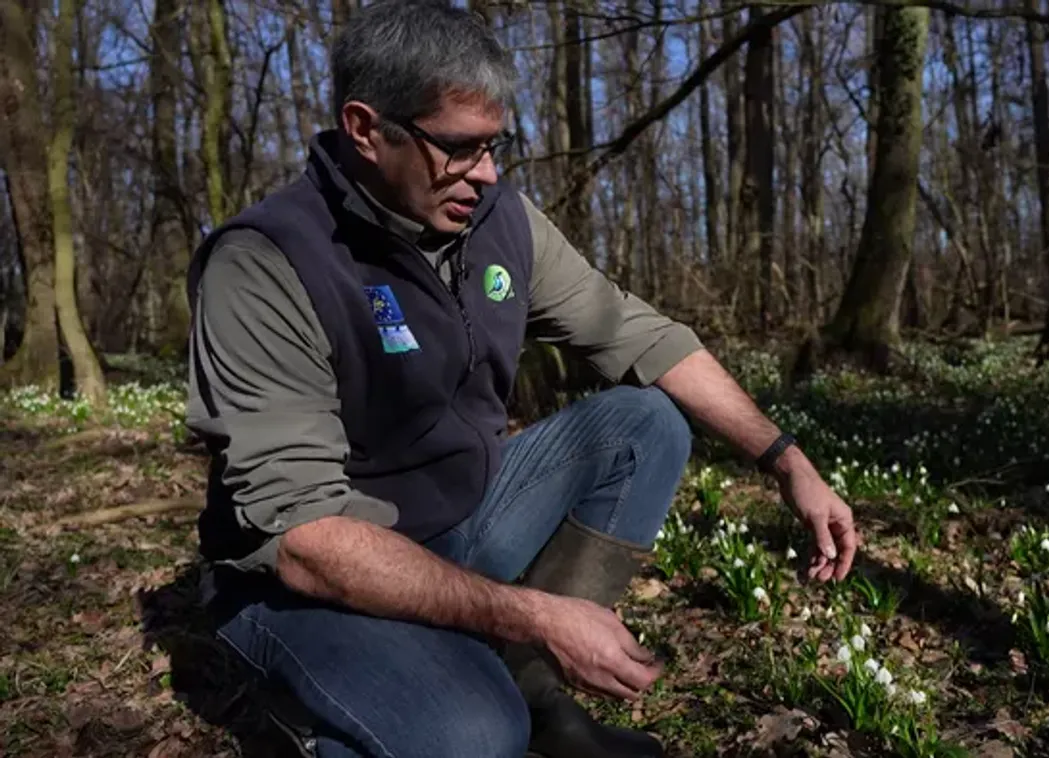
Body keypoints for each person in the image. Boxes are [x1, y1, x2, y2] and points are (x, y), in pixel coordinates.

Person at [184, 2, 858, 757]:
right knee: (473, 736)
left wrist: (786, 459)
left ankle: (530, 693)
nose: (487, 174)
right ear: (366, 130)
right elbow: (304, 541)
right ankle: (321, 718)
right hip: (306, 580)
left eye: (495, 146)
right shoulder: (268, 262)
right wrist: (538, 615)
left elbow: (642, 337)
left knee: (643, 424)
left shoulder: (498, 222)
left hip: (457, 522)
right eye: (460, 148)